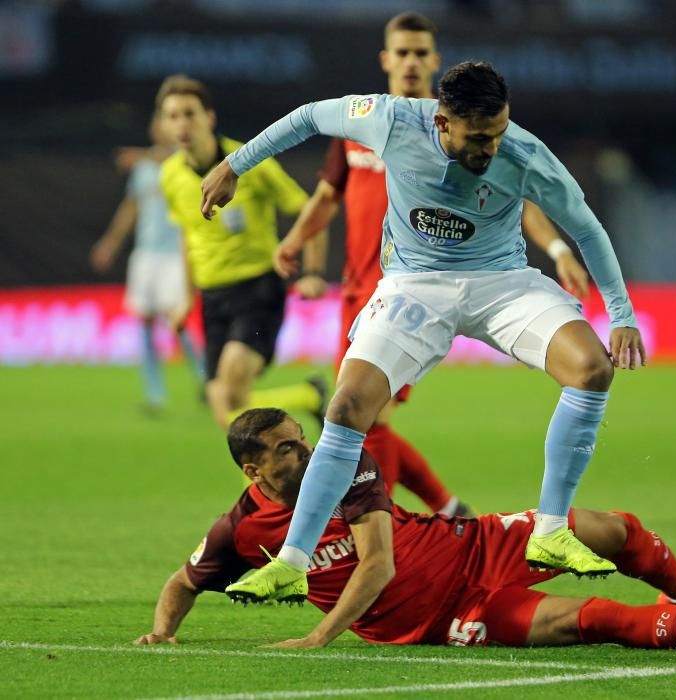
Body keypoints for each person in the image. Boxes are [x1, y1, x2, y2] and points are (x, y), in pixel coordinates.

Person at [200, 61, 646, 598]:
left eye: (499, 132)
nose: (492, 148)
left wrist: (621, 314)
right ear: (441, 122)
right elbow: (310, 117)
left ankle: (549, 531)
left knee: (593, 369)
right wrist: (234, 164)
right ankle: (293, 562)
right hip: (414, 287)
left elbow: (588, 229)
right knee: (346, 409)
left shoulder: (527, 156)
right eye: (479, 138)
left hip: (501, 282)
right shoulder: (391, 121)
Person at [134, 409, 676, 655]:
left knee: (611, 527)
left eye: (302, 439)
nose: (305, 452)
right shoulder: (240, 530)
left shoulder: (346, 466)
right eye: (285, 449)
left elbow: (376, 564)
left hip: (474, 543)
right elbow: (183, 580)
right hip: (450, 613)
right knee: (595, 618)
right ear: (253, 467)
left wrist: (318, 633)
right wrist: (165, 629)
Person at [283, 12, 589, 517]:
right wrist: (295, 240)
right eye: (401, 52)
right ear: (385, 59)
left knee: (366, 416)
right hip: (359, 288)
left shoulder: (461, 135)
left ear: (434, 61)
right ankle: (441, 511)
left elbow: (523, 201)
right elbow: (325, 197)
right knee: (363, 416)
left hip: (416, 291)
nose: (410, 62)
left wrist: (556, 249)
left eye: (420, 53)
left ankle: (382, 528)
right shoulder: (361, 126)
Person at [155, 74, 327, 430]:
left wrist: (312, 272)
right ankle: (308, 396)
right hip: (212, 297)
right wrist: (187, 299)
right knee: (225, 408)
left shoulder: (250, 162)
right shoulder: (170, 176)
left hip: (257, 289)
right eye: (173, 116)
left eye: (189, 113)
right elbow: (188, 235)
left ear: (209, 118)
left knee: (230, 389)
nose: (182, 124)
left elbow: (308, 210)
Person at [90, 113, 205, 412]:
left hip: (175, 254)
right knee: (144, 322)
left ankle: (205, 379)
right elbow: (130, 208)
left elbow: (169, 157)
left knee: (176, 319)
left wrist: (141, 155)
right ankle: (155, 393)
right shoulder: (143, 169)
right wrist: (110, 243)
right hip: (146, 254)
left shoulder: (185, 162)